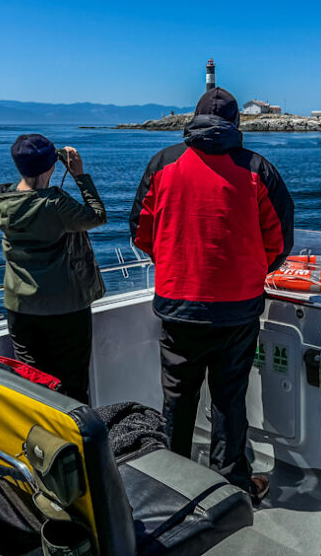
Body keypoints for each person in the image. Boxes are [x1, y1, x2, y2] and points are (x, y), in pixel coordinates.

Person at [129, 87, 294, 504]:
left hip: (177, 301)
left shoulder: (162, 164)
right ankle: (232, 484)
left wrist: (174, 260)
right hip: (237, 306)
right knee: (229, 397)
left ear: (194, 118)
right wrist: (254, 268)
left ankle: (169, 487)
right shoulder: (257, 168)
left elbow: (141, 230)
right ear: (236, 123)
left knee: (178, 399)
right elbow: (279, 239)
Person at [0, 134, 106, 404]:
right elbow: (97, 215)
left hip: (21, 308)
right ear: (51, 167)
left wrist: (46, 164)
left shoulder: (2, 201)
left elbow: (26, 189)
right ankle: (75, 443)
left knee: (34, 386)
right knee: (73, 388)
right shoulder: (55, 205)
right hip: (65, 308)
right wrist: (79, 175)